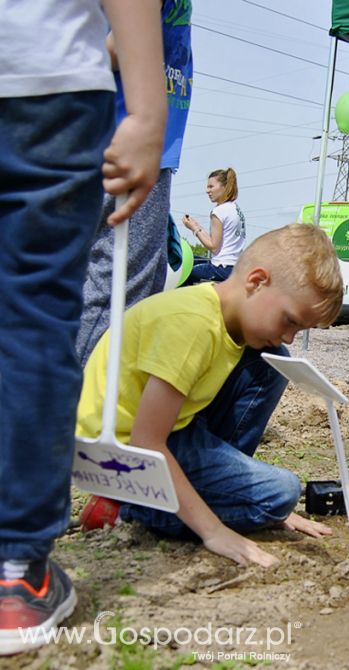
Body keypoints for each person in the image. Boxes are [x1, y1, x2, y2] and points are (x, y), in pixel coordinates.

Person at [0, 0, 166, 655]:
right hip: (48, 80)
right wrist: (148, 107)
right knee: (32, 319)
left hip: (46, 77)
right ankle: (15, 570)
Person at [77, 224, 342, 569]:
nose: (290, 337)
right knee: (283, 490)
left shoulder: (219, 315)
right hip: (119, 455)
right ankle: (125, 508)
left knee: (271, 361)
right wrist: (216, 530)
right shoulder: (193, 325)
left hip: (168, 433)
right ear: (256, 281)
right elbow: (146, 442)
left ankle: (220, 496)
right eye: (289, 321)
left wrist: (256, 507)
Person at [76, 0, 194, 366]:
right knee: (117, 295)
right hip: (125, 136)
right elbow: (119, 44)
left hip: (133, 140)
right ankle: (78, 412)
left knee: (125, 287)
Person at [182, 167, 246, 284]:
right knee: (192, 260)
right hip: (234, 267)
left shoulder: (219, 211)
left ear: (224, 187)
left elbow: (214, 247)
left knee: (183, 272)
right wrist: (196, 226)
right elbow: (218, 241)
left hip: (220, 268)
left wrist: (194, 229)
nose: (207, 190)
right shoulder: (234, 208)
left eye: (211, 186)